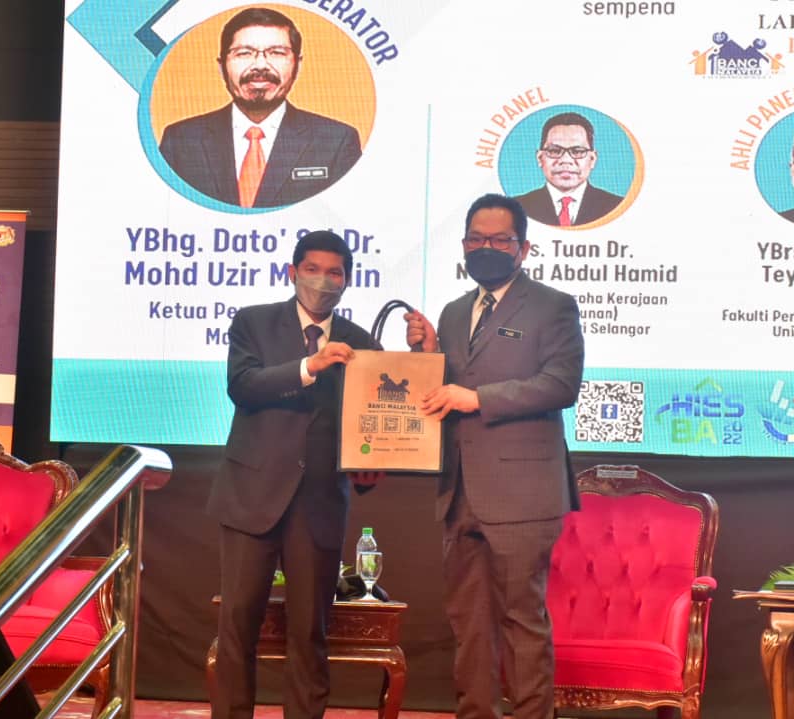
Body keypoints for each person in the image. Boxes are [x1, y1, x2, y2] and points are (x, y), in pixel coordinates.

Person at [404, 194, 585, 719]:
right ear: (464, 245)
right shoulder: (454, 312)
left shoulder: (553, 306)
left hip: (523, 496)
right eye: (476, 239)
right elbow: (449, 388)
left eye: (500, 240)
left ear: (523, 248)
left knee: (521, 621)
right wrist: (427, 356)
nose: (486, 248)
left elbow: (561, 384)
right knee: (469, 625)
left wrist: (478, 399)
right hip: (459, 491)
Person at [209, 230, 380, 719]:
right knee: (238, 625)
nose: (322, 281)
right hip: (251, 495)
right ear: (292, 272)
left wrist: (371, 462)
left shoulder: (361, 342)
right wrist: (310, 365)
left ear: (347, 281)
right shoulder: (253, 322)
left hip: (320, 502)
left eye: (334, 273)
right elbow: (243, 385)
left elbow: (376, 415)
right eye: (312, 269)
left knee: (309, 631)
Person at [159, 7, 362, 208]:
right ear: (222, 67)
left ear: (297, 65)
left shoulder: (337, 141)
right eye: (244, 53)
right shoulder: (180, 141)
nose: (260, 65)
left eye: (277, 53)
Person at [513, 112, 623, 227]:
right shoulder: (515, 208)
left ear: (592, 159)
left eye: (578, 151)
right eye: (554, 151)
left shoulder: (617, 206)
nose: (566, 160)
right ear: (540, 158)